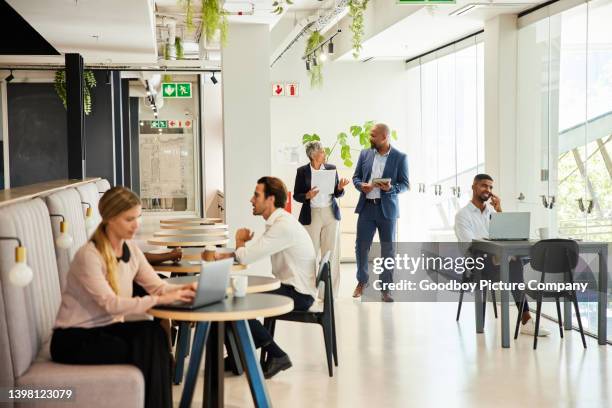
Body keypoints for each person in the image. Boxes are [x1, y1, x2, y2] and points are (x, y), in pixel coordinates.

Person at [50, 186, 197, 408]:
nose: (136, 225)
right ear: (109, 218)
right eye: (129, 219)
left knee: (155, 335)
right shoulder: (89, 255)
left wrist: (187, 289)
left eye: (138, 217)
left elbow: (156, 286)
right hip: (73, 339)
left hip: (105, 330)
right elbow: (111, 305)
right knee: (149, 347)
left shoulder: (131, 250)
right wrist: (159, 301)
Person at [216, 176, 317, 378]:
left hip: (298, 294)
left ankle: (276, 355)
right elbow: (249, 252)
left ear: (270, 199)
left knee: (234, 301)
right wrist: (237, 250)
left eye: (256, 195)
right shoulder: (278, 222)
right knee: (232, 297)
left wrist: (238, 240)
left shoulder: (282, 226)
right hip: (292, 288)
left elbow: (247, 256)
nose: (251, 200)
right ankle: (238, 356)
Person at [454, 174, 549, 336]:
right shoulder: (463, 215)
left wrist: (499, 210)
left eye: (491, 187)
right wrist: (497, 256)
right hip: (477, 264)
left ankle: (526, 319)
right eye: (484, 186)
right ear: (473, 187)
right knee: (515, 265)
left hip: (499, 261)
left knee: (516, 263)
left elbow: (507, 235)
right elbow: (470, 247)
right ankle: (526, 319)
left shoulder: (492, 212)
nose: (488, 190)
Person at [352, 123, 409, 302]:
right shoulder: (365, 154)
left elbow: (406, 185)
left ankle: (386, 289)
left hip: (387, 211)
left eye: (373, 135)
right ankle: (362, 282)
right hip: (367, 208)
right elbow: (356, 177)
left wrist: (390, 188)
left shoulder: (400, 157)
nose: (370, 138)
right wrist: (362, 186)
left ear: (384, 137)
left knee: (388, 250)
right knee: (361, 247)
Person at [293, 140, 350, 297]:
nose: (325, 154)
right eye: (322, 152)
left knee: (330, 254)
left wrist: (339, 188)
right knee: (310, 254)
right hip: (312, 214)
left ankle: (328, 294)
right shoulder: (302, 171)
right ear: (313, 155)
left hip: (330, 214)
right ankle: (309, 292)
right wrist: (307, 195)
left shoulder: (331, 169)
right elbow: (296, 195)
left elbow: (338, 193)